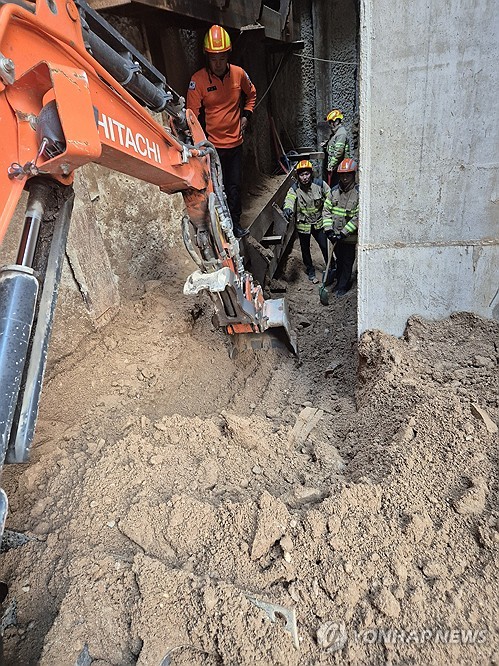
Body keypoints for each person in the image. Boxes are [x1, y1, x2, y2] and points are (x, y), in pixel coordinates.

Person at [186, 25, 256, 238]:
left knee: (234, 188)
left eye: (222, 57)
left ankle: (235, 225)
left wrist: (246, 115)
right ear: (207, 57)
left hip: (235, 144)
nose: (218, 63)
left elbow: (251, 94)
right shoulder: (197, 81)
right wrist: (200, 143)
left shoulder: (238, 75)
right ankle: (219, 229)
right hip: (212, 149)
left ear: (228, 54)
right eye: (214, 58)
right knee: (216, 190)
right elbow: (191, 116)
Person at [282, 160, 331, 284]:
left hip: (318, 223)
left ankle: (332, 267)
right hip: (304, 226)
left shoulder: (320, 185)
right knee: (305, 250)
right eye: (302, 175)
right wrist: (287, 207)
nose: (305, 177)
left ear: (311, 173)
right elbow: (289, 198)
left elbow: (331, 197)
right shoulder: (295, 189)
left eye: (307, 174)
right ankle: (310, 271)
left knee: (325, 247)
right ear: (298, 176)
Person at [323, 158, 358, 297]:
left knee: (348, 261)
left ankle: (343, 285)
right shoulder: (333, 192)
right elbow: (326, 210)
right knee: (339, 259)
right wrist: (329, 230)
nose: (344, 178)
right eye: (342, 175)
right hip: (334, 236)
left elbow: (358, 217)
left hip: (348, 238)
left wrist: (344, 233)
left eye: (348, 175)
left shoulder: (358, 193)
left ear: (353, 174)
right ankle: (338, 280)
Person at [322, 109, 350, 187]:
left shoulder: (341, 133)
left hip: (340, 167)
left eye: (331, 122)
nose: (330, 124)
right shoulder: (336, 133)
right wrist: (326, 144)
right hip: (336, 167)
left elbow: (339, 151)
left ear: (336, 121)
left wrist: (331, 165)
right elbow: (334, 144)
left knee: (336, 186)